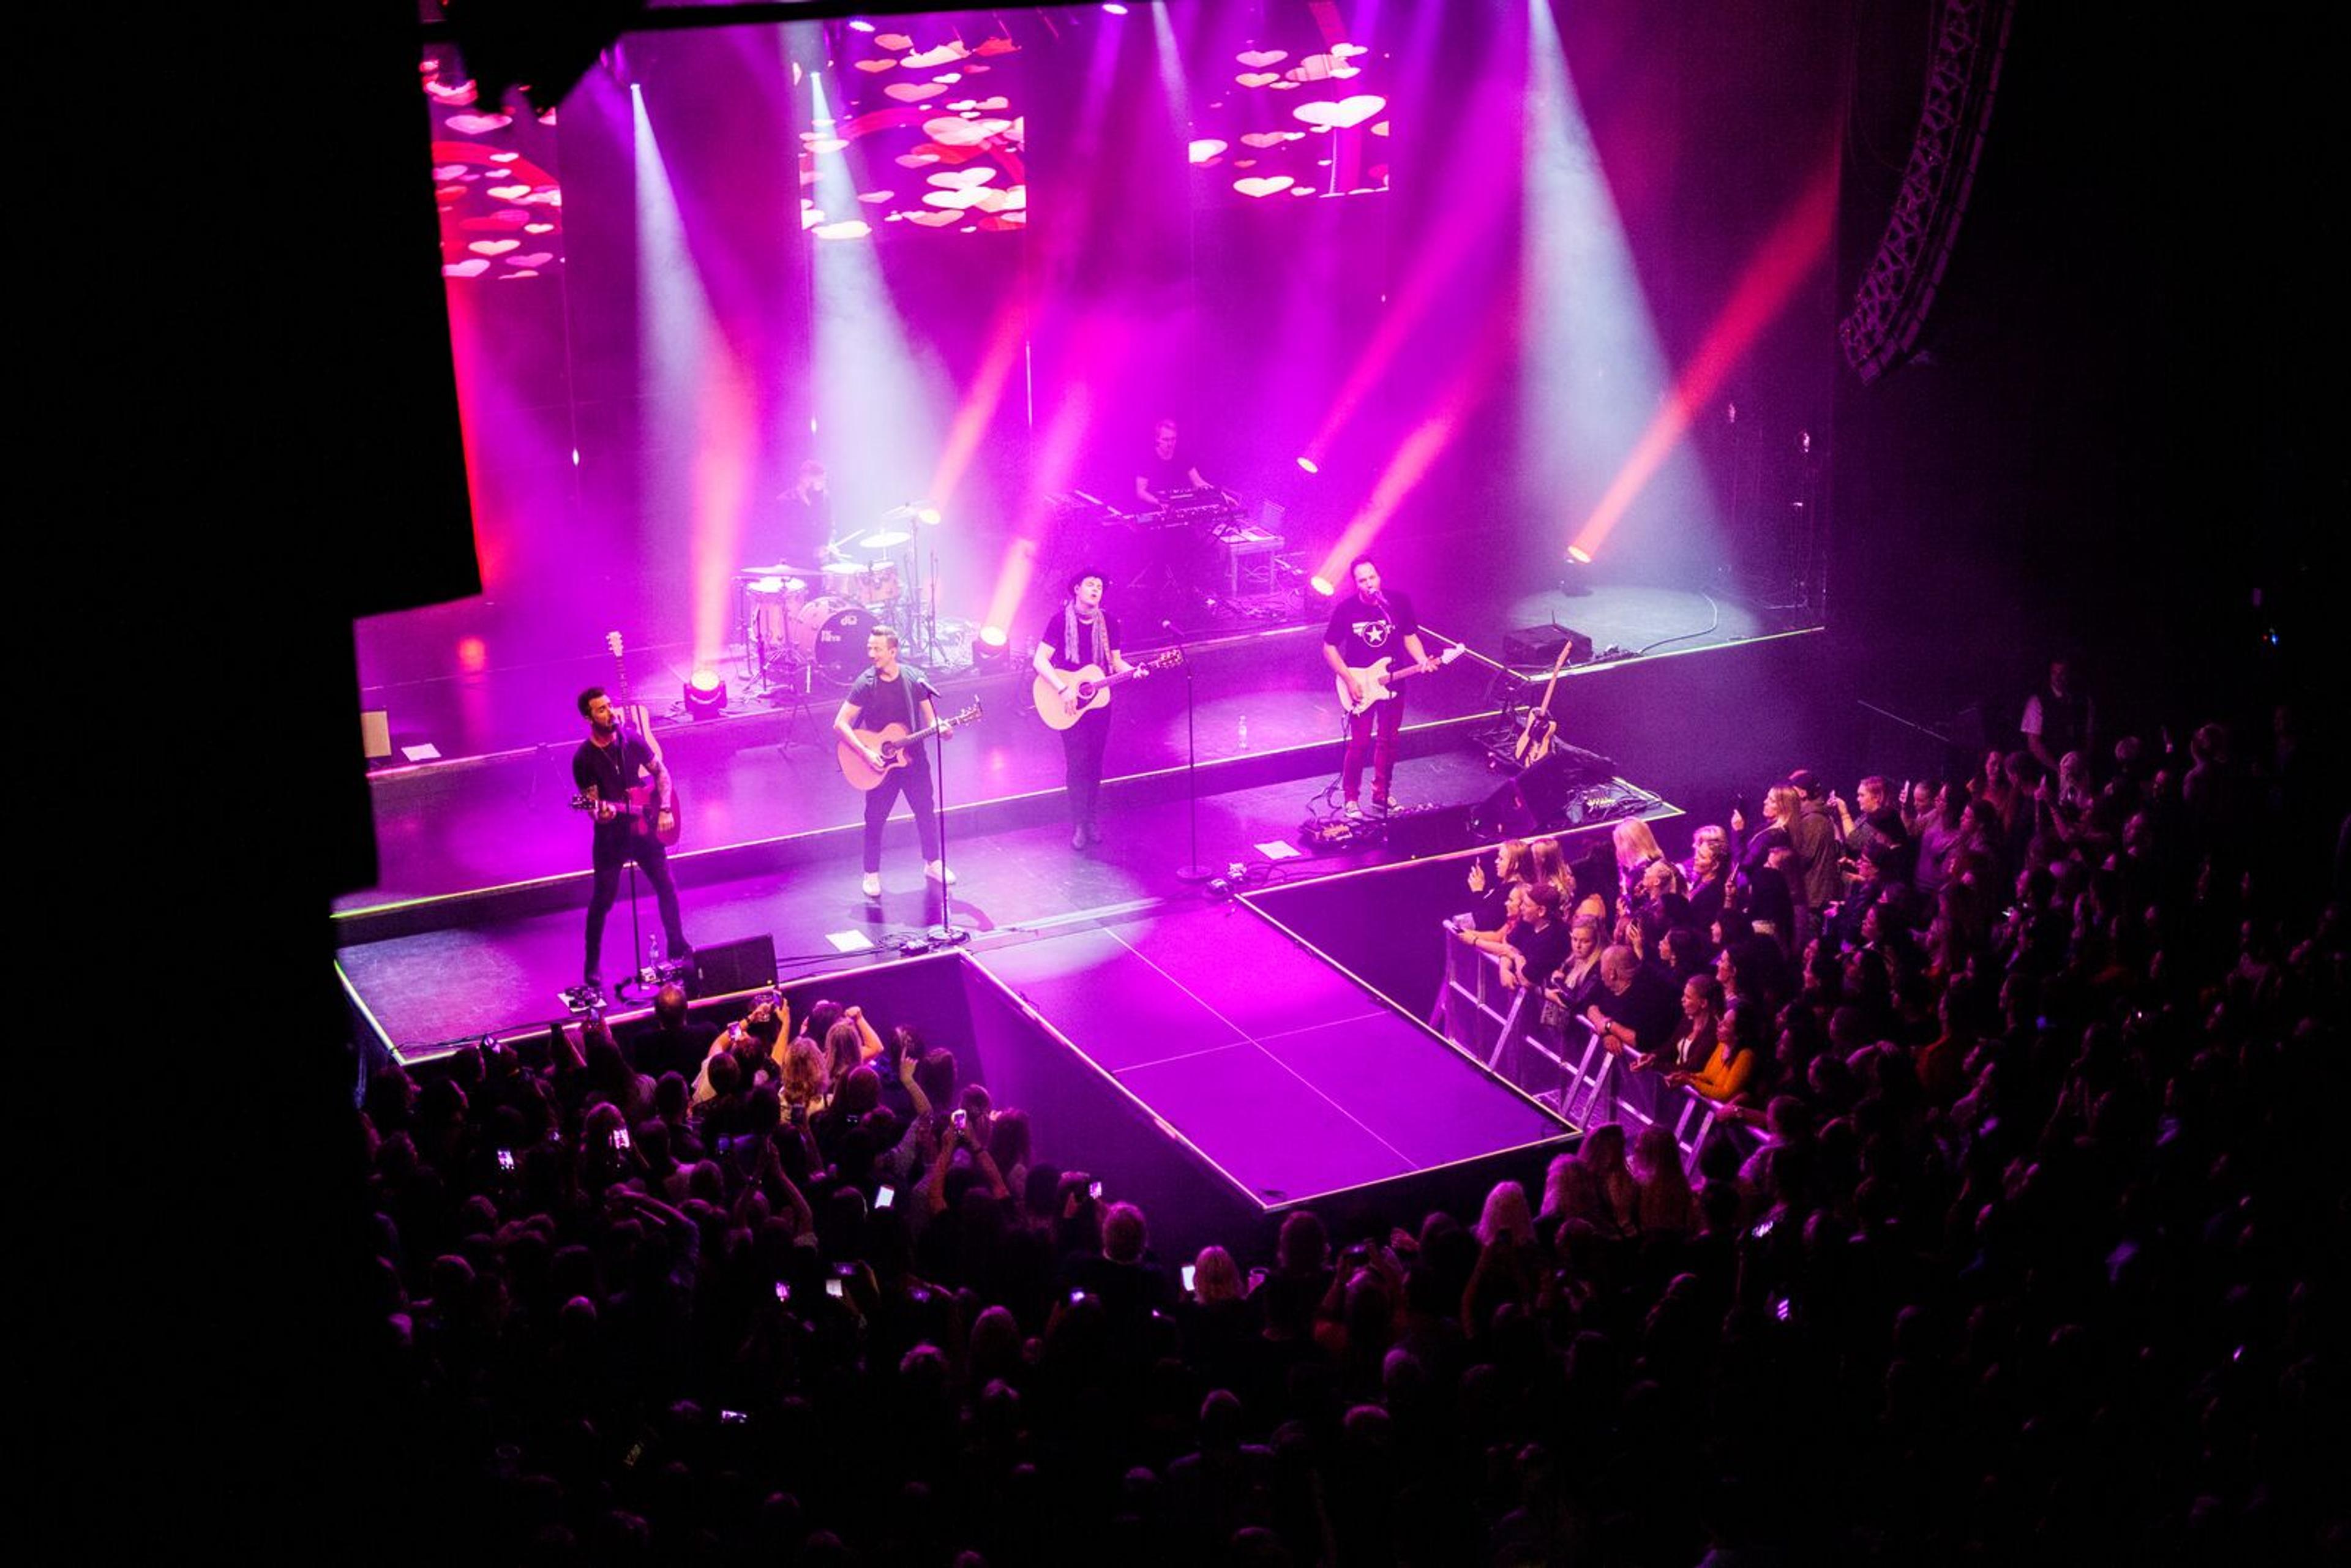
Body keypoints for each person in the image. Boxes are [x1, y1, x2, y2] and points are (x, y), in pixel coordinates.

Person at [572, 686, 689, 1000]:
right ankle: (592, 965)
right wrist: (603, 815)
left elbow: (661, 773)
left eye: (610, 706)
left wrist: (664, 808)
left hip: (645, 830)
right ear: (588, 717)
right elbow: (594, 809)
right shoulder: (583, 759)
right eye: (601, 710)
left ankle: (677, 946)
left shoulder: (630, 740)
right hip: (611, 838)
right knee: (603, 901)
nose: (610, 713)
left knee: (667, 887)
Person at [833, 628, 956, 898]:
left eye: (877, 649)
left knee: (925, 809)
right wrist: (866, 753)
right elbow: (840, 724)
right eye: (870, 648)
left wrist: (943, 728)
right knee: (875, 818)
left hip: (915, 759)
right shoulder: (866, 683)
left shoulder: (914, 679)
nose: (872, 654)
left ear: (893, 651)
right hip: (879, 762)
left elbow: (931, 718)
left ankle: (933, 864)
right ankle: (871, 874)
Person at [1032, 566, 1149, 850]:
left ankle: (1091, 819)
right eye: (1090, 584)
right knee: (1077, 764)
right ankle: (1079, 824)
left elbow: (1116, 663)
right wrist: (1063, 688)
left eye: (1100, 585)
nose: (1096, 589)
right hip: (1068, 702)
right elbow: (1040, 660)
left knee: (1095, 764)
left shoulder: (1110, 622)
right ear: (1077, 589)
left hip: (1098, 703)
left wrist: (1135, 671)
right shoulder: (1060, 621)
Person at [1322, 557, 1437, 816]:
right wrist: (1350, 680)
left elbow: (1410, 636)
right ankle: (1351, 798)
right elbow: (1329, 647)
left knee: (1389, 741)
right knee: (1360, 743)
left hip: (1393, 683)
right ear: (1355, 584)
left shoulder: (1398, 603)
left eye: (1372, 578)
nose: (1369, 584)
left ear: (1379, 577)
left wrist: (1421, 661)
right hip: (1360, 685)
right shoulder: (1346, 610)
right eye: (1362, 580)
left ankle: (1381, 793)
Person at [1134, 416, 1209, 511]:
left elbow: (1198, 482)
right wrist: (1159, 502)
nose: (1170, 444)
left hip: (1177, 508)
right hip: (1154, 509)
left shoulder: (1182, 456)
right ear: (1157, 439)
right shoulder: (1147, 459)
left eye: (1173, 439)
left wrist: (1221, 495)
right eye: (1166, 440)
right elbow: (1141, 492)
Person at [776, 458, 835, 565]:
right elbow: (781, 542)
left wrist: (830, 544)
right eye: (820, 480)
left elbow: (830, 527)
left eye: (824, 480)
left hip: (821, 564)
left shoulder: (825, 498)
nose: (823, 484)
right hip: (795, 564)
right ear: (805, 479)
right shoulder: (785, 501)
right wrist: (811, 552)